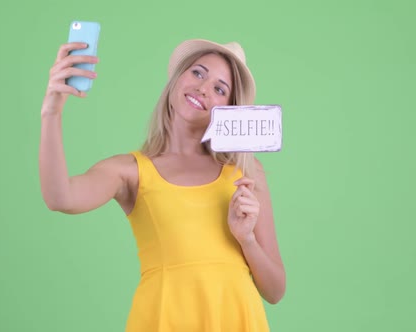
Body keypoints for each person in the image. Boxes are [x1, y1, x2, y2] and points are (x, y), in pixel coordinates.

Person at [40, 38, 286, 331]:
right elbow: (61, 198)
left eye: (220, 88)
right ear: (177, 77)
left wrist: (247, 240)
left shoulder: (245, 174)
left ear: (229, 108)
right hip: (164, 316)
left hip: (236, 316)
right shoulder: (130, 171)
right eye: (197, 73)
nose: (204, 88)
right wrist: (51, 113)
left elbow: (275, 291)